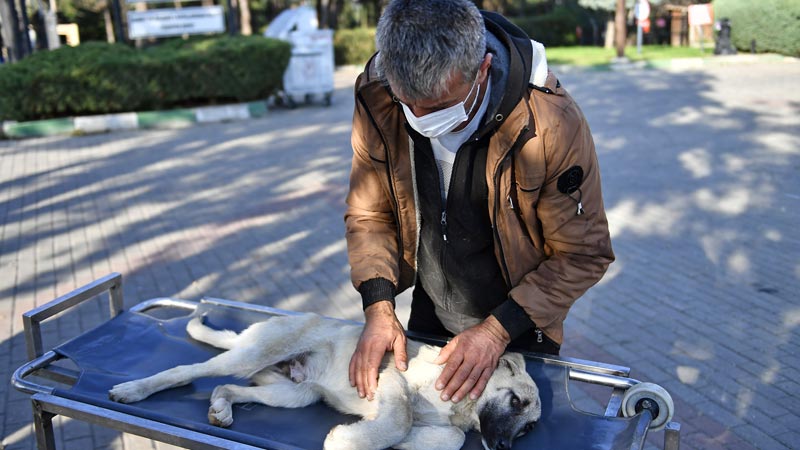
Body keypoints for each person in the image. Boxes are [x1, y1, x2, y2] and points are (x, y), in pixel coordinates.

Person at [344, 0, 614, 405]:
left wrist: (496, 332)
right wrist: (378, 306)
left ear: (482, 69)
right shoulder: (379, 94)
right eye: (407, 101)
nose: (419, 117)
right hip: (431, 310)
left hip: (521, 323)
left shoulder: (550, 123)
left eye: (436, 106)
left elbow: (583, 254)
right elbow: (370, 212)